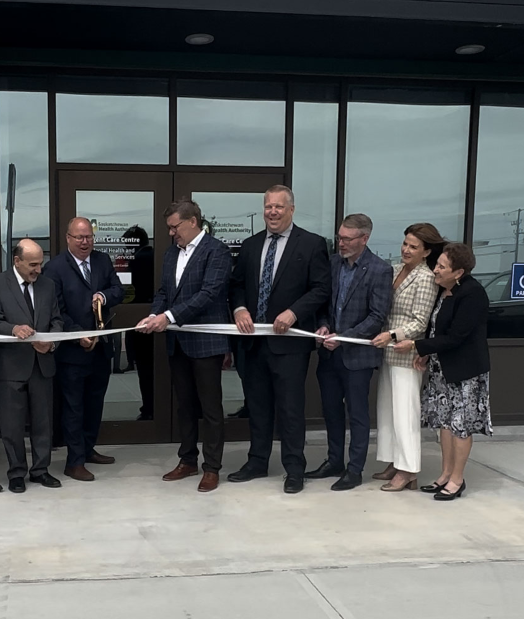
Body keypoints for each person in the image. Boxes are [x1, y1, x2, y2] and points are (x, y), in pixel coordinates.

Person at [229, 185, 331, 494]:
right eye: (268, 207)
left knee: (289, 409)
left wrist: (294, 313)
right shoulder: (250, 245)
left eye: (278, 207)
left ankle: (294, 468)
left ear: (291, 210)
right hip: (253, 343)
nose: (272, 212)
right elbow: (236, 286)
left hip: (289, 345)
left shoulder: (312, 245)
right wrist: (240, 308)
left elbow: (321, 289)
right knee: (257, 406)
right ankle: (257, 461)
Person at [137, 199, 231, 493]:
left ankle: (212, 467)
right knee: (185, 406)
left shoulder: (217, 251)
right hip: (177, 343)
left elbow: (208, 293)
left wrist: (169, 317)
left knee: (211, 408)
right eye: (168, 228)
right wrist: (154, 314)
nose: (171, 233)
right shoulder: (169, 254)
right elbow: (165, 290)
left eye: (174, 226)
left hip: (206, 344)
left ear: (193, 222)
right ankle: (188, 459)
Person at [398, 243, 492, 500]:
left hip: (465, 372)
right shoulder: (446, 290)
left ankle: (457, 479)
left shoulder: (472, 294)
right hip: (443, 370)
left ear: (458, 272)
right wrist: (427, 353)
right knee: (446, 425)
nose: (435, 270)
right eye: (437, 264)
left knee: (461, 426)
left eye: (441, 267)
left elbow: (456, 336)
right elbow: (437, 331)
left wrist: (417, 345)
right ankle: (445, 474)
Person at [306, 214, 393, 490]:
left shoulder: (380, 270)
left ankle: (355, 469)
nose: (340, 243)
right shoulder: (333, 264)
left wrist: (343, 338)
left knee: (357, 413)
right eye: (339, 237)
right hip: (329, 354)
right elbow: (323, 303)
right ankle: (334, 461)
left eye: (347, 239)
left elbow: (376, 317)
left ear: (364, 239)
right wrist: (322, 326)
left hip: (357, 357)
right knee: (331, 410)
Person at [42, 217, 124, 482]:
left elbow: (118, 290)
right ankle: (74, 461)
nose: (85, 241)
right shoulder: (54, 268)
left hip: (101, 350)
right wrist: (78, 334)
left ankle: (88, 450)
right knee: (73, 407)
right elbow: (56, 310)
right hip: (72, 353)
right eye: (79, 237)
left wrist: (104, 296)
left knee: (94, 404)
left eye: (88, 236)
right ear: (68, 238)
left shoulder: (102, 260)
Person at [371, 223, 444, 492]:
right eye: (405, 244)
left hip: (407, 353)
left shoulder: (425, 278)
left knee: (405, 413)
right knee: (387, 411)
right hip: (388, 351)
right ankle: (394, 461)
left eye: (414, 246)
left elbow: (419, 322)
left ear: (426, 252)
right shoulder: (398, 271)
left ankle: (409, 469)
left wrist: (391, 335)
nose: (406, 250)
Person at [0, 239, 64, 493]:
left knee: (43, 422)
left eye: (40, 264)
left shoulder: (48, 286)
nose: (38, 270)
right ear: (16, 261)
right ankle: (16, 473)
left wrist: (50, 343)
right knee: (12, 425)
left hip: (42, 364)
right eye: (32, 264)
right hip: (11, 366)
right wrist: (13, 329)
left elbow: (56, 321)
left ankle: (41, 470)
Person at [123, 225, 155, 420]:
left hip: (141, 321)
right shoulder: (156, 256)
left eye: (128, 243)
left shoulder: (138, 260)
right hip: (154, 319)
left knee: (145, 370)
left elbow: (131, 291)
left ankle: (149, 409)